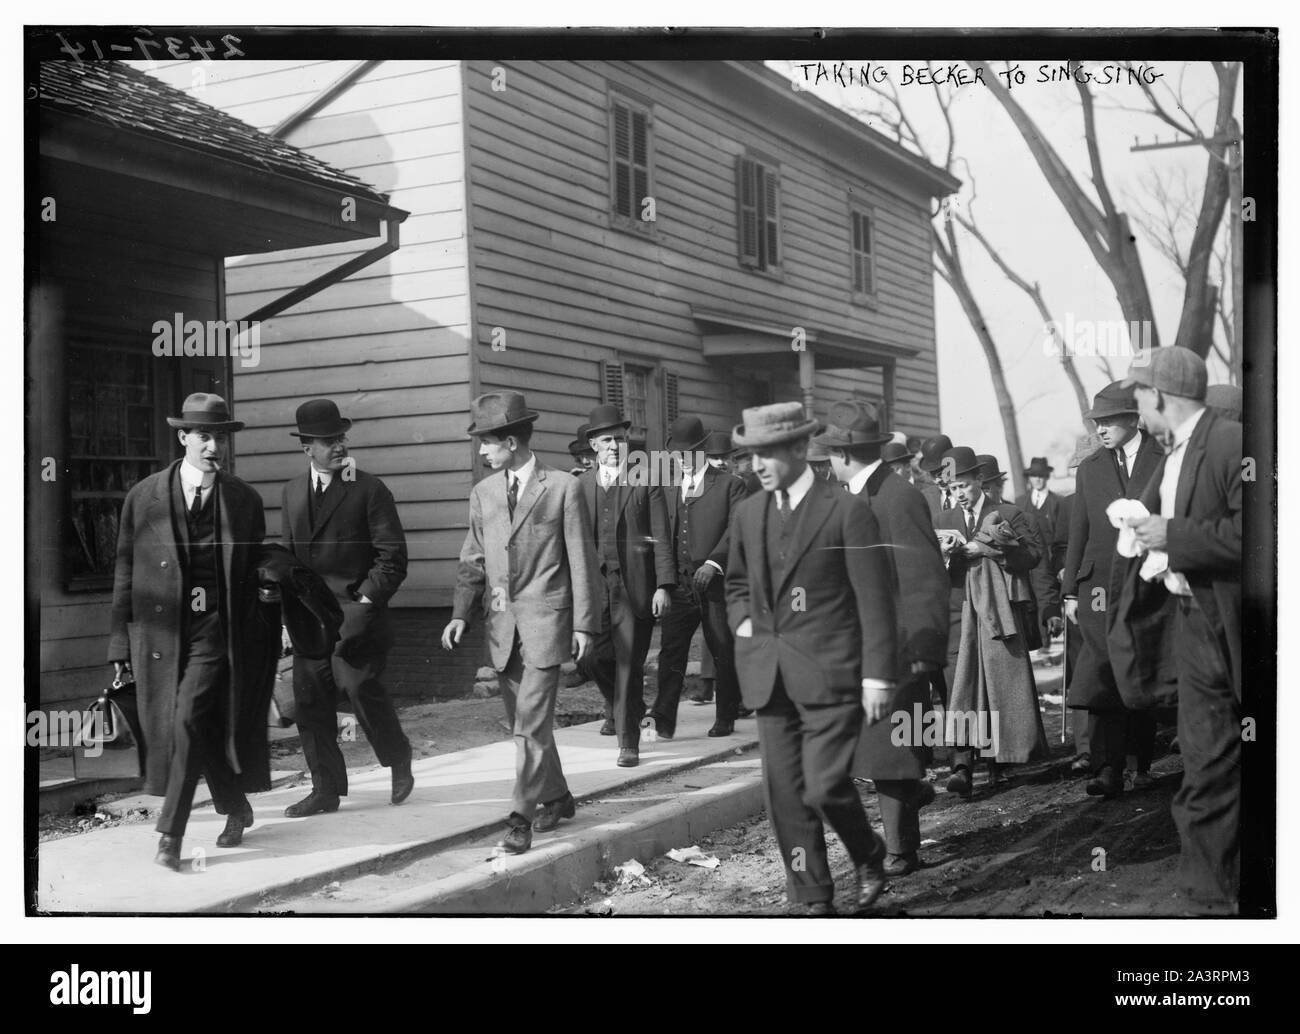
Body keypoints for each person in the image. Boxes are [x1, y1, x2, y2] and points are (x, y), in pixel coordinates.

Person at [725, 402, 898, 915]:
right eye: (751, 453)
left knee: (823, 786)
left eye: (768, 453)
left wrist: (878, 677)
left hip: (832, 674)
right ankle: (815, 899)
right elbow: (736, 584)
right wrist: (743, 622)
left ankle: (868, 852)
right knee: (786, 797)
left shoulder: (846, 510)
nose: (756, 464)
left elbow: (875, 599)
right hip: (767, 676)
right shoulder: (748, 512)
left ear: (801, 449)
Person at [107, 393, 280, 869]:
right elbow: (125, 571)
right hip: (161, 636)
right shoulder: (144, 498)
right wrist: (119, 641)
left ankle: (171, 836)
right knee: (192, 727)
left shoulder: (244, 500)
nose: (213, 446)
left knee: (185, 718)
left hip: (216, 634)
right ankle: (235, 804)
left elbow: (254, 566)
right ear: (183, 437)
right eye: (204, 436)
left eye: (220, 437)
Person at [442, 391, 600, 854]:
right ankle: (558, 796)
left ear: (510, 441)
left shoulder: (562, 488)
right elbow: (472, 560)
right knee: (524, 725)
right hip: (501, 628)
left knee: (529, 726)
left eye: (486, 442)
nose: (481, 451)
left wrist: (584, 625)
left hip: (546, 626)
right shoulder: (483, 494)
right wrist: (458, 614)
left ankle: (520, 818)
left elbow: (582, 560)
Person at [1118, 347, 1242, 913]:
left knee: (1221, 758)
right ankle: (1210, 893)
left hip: (1232, 627)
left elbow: (1264, 539)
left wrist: (1176, 534)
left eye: (1140, 395)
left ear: (1161, 396)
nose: (1137, 407)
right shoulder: (1180, 451)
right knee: (1203, 757)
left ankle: (1221, 900)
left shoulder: (1229, 442)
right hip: (1192, 623)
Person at [817, 402, 949, 877]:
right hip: (852, 648)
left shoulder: (898, 498)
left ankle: (901, 849)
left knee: (889, 748)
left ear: (844, 454)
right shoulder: (841, 496)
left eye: (830, 453)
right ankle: (913, 795)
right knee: (871, 749)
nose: (826, 462)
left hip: (897, 649)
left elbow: (925, 579)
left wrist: (923, 651)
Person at [280, 399, 412, 818]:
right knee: (309, 700)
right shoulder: (290, 493)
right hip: (309, 619)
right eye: (327, 440)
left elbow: (392, 558)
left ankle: (397, 758)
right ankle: (326, 789)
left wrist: (365, 603)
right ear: (307, 447)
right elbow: (292, 561)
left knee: (360, 691)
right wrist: (288, 618)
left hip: (356, 618)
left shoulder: (369, 489)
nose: (338, 446)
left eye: (340, 437)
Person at [1061, 381, 1166, 798]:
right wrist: (1070, 591)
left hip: (1147, 582)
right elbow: (1078, 534)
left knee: (1139, 669)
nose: (1100, 430)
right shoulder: (1090, 468)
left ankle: (1142, 762)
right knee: (1102, 671)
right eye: (1096, 423)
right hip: (1098, 587)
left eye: (1107, 422)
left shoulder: (1165, 459)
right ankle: (1107, 769)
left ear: (1132, 419)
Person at [934, 447, 1049, 797]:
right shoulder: (944, 520)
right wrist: (945, 552)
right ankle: (961, 767)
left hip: (998, 615)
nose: (960, 494)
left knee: (999, 684)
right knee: (961, 686)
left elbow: (1033, 556)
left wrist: (993, 549)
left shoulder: (1008, 513)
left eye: (965, 486)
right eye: (953, 489)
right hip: (959, 613)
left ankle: (999, 759)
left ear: (980, 482)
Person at [577, 404, 675, 767]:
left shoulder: (646, 478)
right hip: (595, 588)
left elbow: (662, 537)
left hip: (636, 588)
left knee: (627, 666)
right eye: (607, 440)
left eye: (620, 439)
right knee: (592, 658)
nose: (616, 446)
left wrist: (664, 585)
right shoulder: (580, 486)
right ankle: (629, 707)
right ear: (593, 445)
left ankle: (628, 742)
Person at [649, 416, 749, 738]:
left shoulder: (731, 484)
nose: (681, 459)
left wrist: (714, 563)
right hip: (679, 582)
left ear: (703, 450)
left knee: (722, 646)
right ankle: (663, 719)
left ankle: (726, 716)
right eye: (677, 454)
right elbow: (662, 536)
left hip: (715, 582)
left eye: (688, 452)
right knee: (670, 652)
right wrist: (664, 582)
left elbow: (737, 529)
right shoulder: (668, 486)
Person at [916, 433, 954, 518]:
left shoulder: (969, 491)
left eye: (941, 473)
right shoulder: (924, 497)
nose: (937, 480)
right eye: (933, 475)